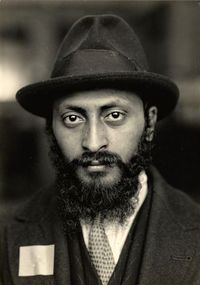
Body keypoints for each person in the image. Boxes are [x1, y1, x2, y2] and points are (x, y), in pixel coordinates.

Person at [1, 14, 200, 285]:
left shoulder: (195, 228)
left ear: (150, 121)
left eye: (114, 115)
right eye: (73, 118)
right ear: (50, 128)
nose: (93, 143)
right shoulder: (7, 233)